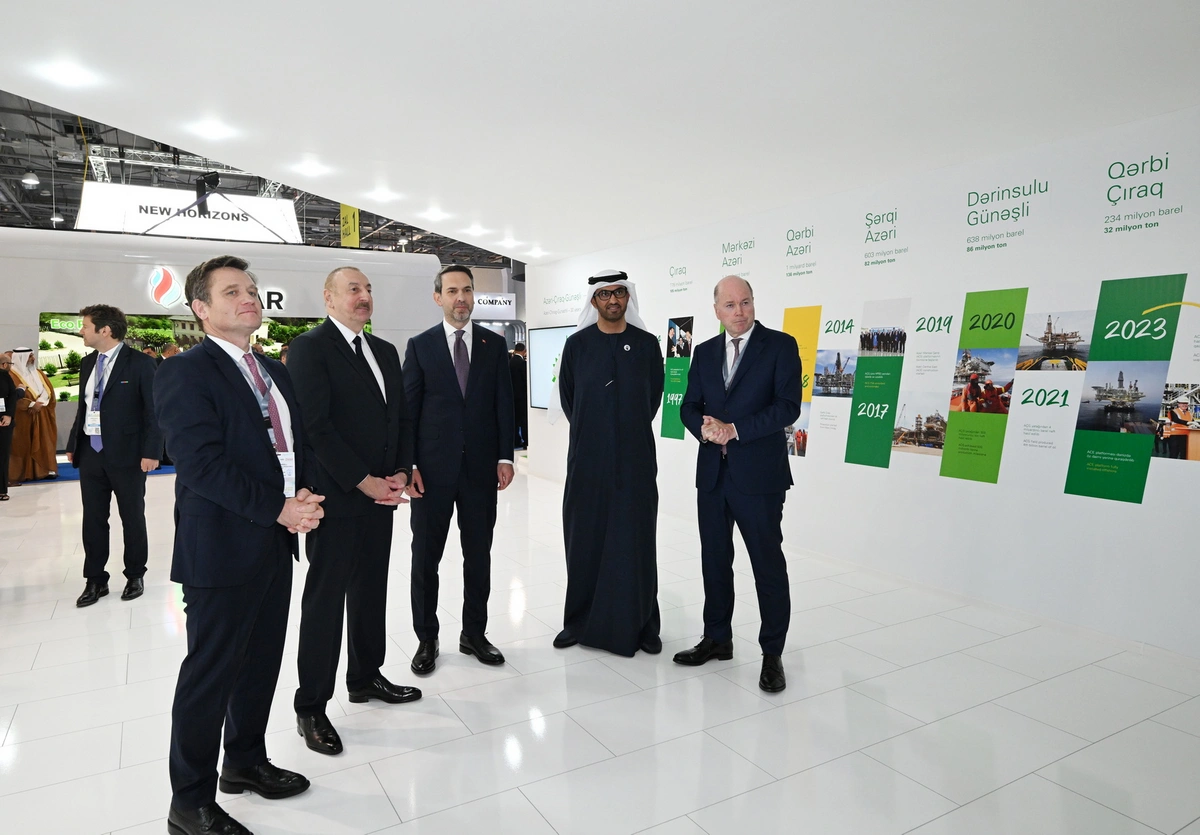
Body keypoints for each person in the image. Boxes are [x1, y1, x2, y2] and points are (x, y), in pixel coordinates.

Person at [156, 255, 323, 835]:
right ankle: (190, 803)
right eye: (232, 291)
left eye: (251, 289)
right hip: (220, 549)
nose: (248, 297)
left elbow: (293, 444)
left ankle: (245, 763)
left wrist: (303, 494)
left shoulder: (273, 370)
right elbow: (200, 464)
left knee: (260, 663)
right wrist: (279, 507)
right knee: (210, 676)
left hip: (274, 543)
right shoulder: (185, 372)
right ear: (201, 309)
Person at [288, 267, 421, 757]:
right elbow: (316, 428)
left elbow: (400, 418)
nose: (364, 296)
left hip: (382, 497)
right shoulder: (310, 348)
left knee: (370, 592)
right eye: (353, 289)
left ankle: (365, 676)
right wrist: (365, 481)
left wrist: (401, 471)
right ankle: (311, 706)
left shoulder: (384, 350)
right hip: (337, 500)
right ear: (328, 298)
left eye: (368, 290)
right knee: (324, 604)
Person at [675, 276, 801, 693]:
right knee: (714, 560)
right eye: (729, 305)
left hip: (759, 477)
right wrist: (703, 428)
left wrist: (735, 430)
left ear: (753, 303)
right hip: (713, 475)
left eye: (745, 302)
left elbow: (787, 407)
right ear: (716, 311)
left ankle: (772, 654)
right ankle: (717, 639)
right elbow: (688, 406)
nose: (739, 311)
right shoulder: (705, 351)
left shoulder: (780, 346)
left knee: (767, 565)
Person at [403, 264, 515, 675]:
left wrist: (505, 456)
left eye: (466, 290)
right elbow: (409, 410)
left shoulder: (493, 344)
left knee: (478, 556)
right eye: (452, 291)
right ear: (438, 297)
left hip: (481, 471)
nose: (461, 298)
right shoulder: (420, 346)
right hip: (431, 473)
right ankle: (426, 639)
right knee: (425, 559)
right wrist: (409, 464)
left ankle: (474, 634)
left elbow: (504, 404)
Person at [550, 269, 664, 656]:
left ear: (628, 297)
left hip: (635, 461)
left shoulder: (646, 345)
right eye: (605, 294)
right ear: (594, 300)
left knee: (637, 541)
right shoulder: (577, 346)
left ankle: (644, 625)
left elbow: (652, 399)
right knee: (585, 540)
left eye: (619, 293)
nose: (613, 300)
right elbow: (570, 400)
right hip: (587, 462)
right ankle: (577, 621)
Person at [65, 305, 163, 608]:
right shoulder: (87, 363)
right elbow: (84, 408)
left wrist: (152, 452)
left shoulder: (141, 363)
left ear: (105, 330)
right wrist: (73, 442)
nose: (81, 331)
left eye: (85, 326)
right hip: (90, 453)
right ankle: (95, 579)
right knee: (93, 519)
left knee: (132, 517)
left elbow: (154, 412)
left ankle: (135, 574)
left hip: (128, 455)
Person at [7, 347, 58, 485]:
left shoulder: (39, 373)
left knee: (45, 441)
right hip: (24, 417)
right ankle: (24, 473)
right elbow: (11, 397)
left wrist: (40, 403)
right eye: (30, 356)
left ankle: (45, 470)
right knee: (23, 444)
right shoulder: (11, 375)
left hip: (42, 414)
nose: (33, 359)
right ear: (21, 358)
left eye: (33, 356)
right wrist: (30, 405)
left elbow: (48, 390)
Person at [0, 352, 14, 500]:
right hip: (3, 421)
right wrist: (8, 415)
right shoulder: (4, 376)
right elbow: (11, 396)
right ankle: (1, 491)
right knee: (2, 456)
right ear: (4, 365)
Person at [509, 342, 529, 449]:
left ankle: (516, 440)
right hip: (522, 397)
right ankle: (526, 441)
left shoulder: (509, 362)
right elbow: (525, 380)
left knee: (515, 420)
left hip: (512, 397)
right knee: (524, 420)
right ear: (524, 351)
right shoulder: (523, 364)